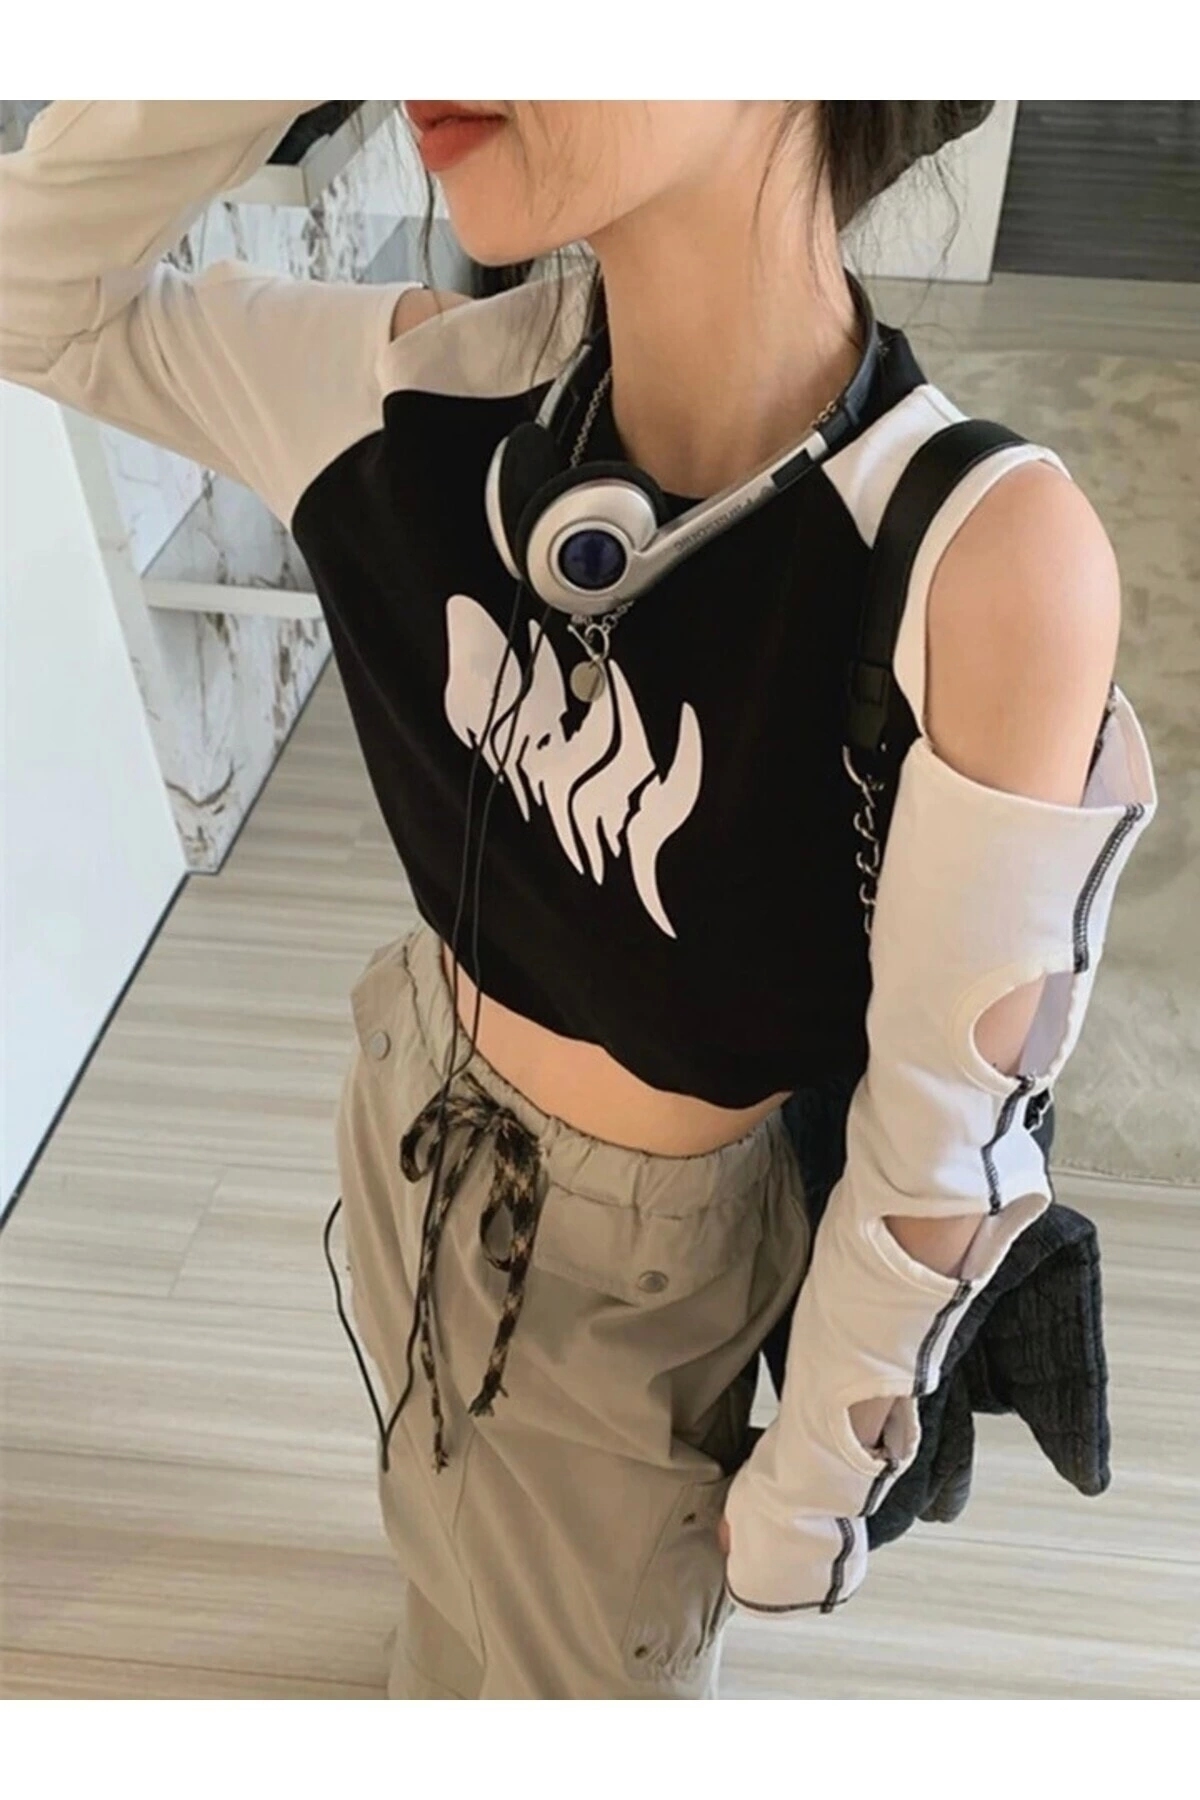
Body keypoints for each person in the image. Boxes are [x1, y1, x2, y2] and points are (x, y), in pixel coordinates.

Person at [0, 100, 1158, 1700]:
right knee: (438, 1535)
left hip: (648, 1277)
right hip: (412, 1108)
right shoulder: (414, 391)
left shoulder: (980, 553)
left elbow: (942, 1130)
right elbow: (30, 291)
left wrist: (815, 1492)